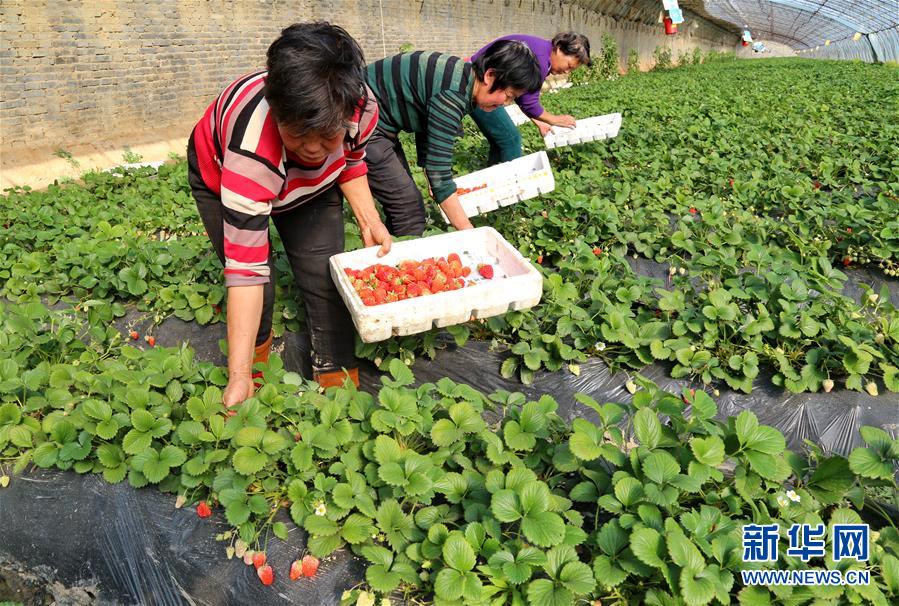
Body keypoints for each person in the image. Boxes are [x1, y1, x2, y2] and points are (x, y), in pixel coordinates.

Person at [186, 22, 391, 408]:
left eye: (326, 135)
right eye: (297, 133)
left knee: (324, 273)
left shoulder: (361, 109)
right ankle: (254, 379)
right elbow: (245, 274)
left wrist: (369, 219)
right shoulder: (251, 151)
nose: (313, 149)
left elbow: (351, 158)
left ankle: (337, 385)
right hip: (219, 172)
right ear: (277, 110)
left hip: (312, 188)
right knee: (258, 285)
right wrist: (238, 375)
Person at [364, 41, 542, 236]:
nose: (505, 104)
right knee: (408, 209)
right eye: (508, 95)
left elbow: (426, 118)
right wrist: (468, 232)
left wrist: (429, 171)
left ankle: (390, 251)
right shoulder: (452, 95)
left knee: (406, 201)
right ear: (490, 76)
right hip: (359, 120)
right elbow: (440, 176)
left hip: (374, 119)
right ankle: (400, 261)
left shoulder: (462, 77)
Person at [469, 32, 591, 165]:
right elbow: (529, 103)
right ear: (559, 48)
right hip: (481, 87)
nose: (567, 72)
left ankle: (495, 177)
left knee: (502, 139)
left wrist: (539, 122)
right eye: (569, 66)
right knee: (511, 140)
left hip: (480, 82)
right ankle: (511, 181)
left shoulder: (542, 51)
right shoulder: (541, 59)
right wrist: (554, 120)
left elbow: (522, 96)